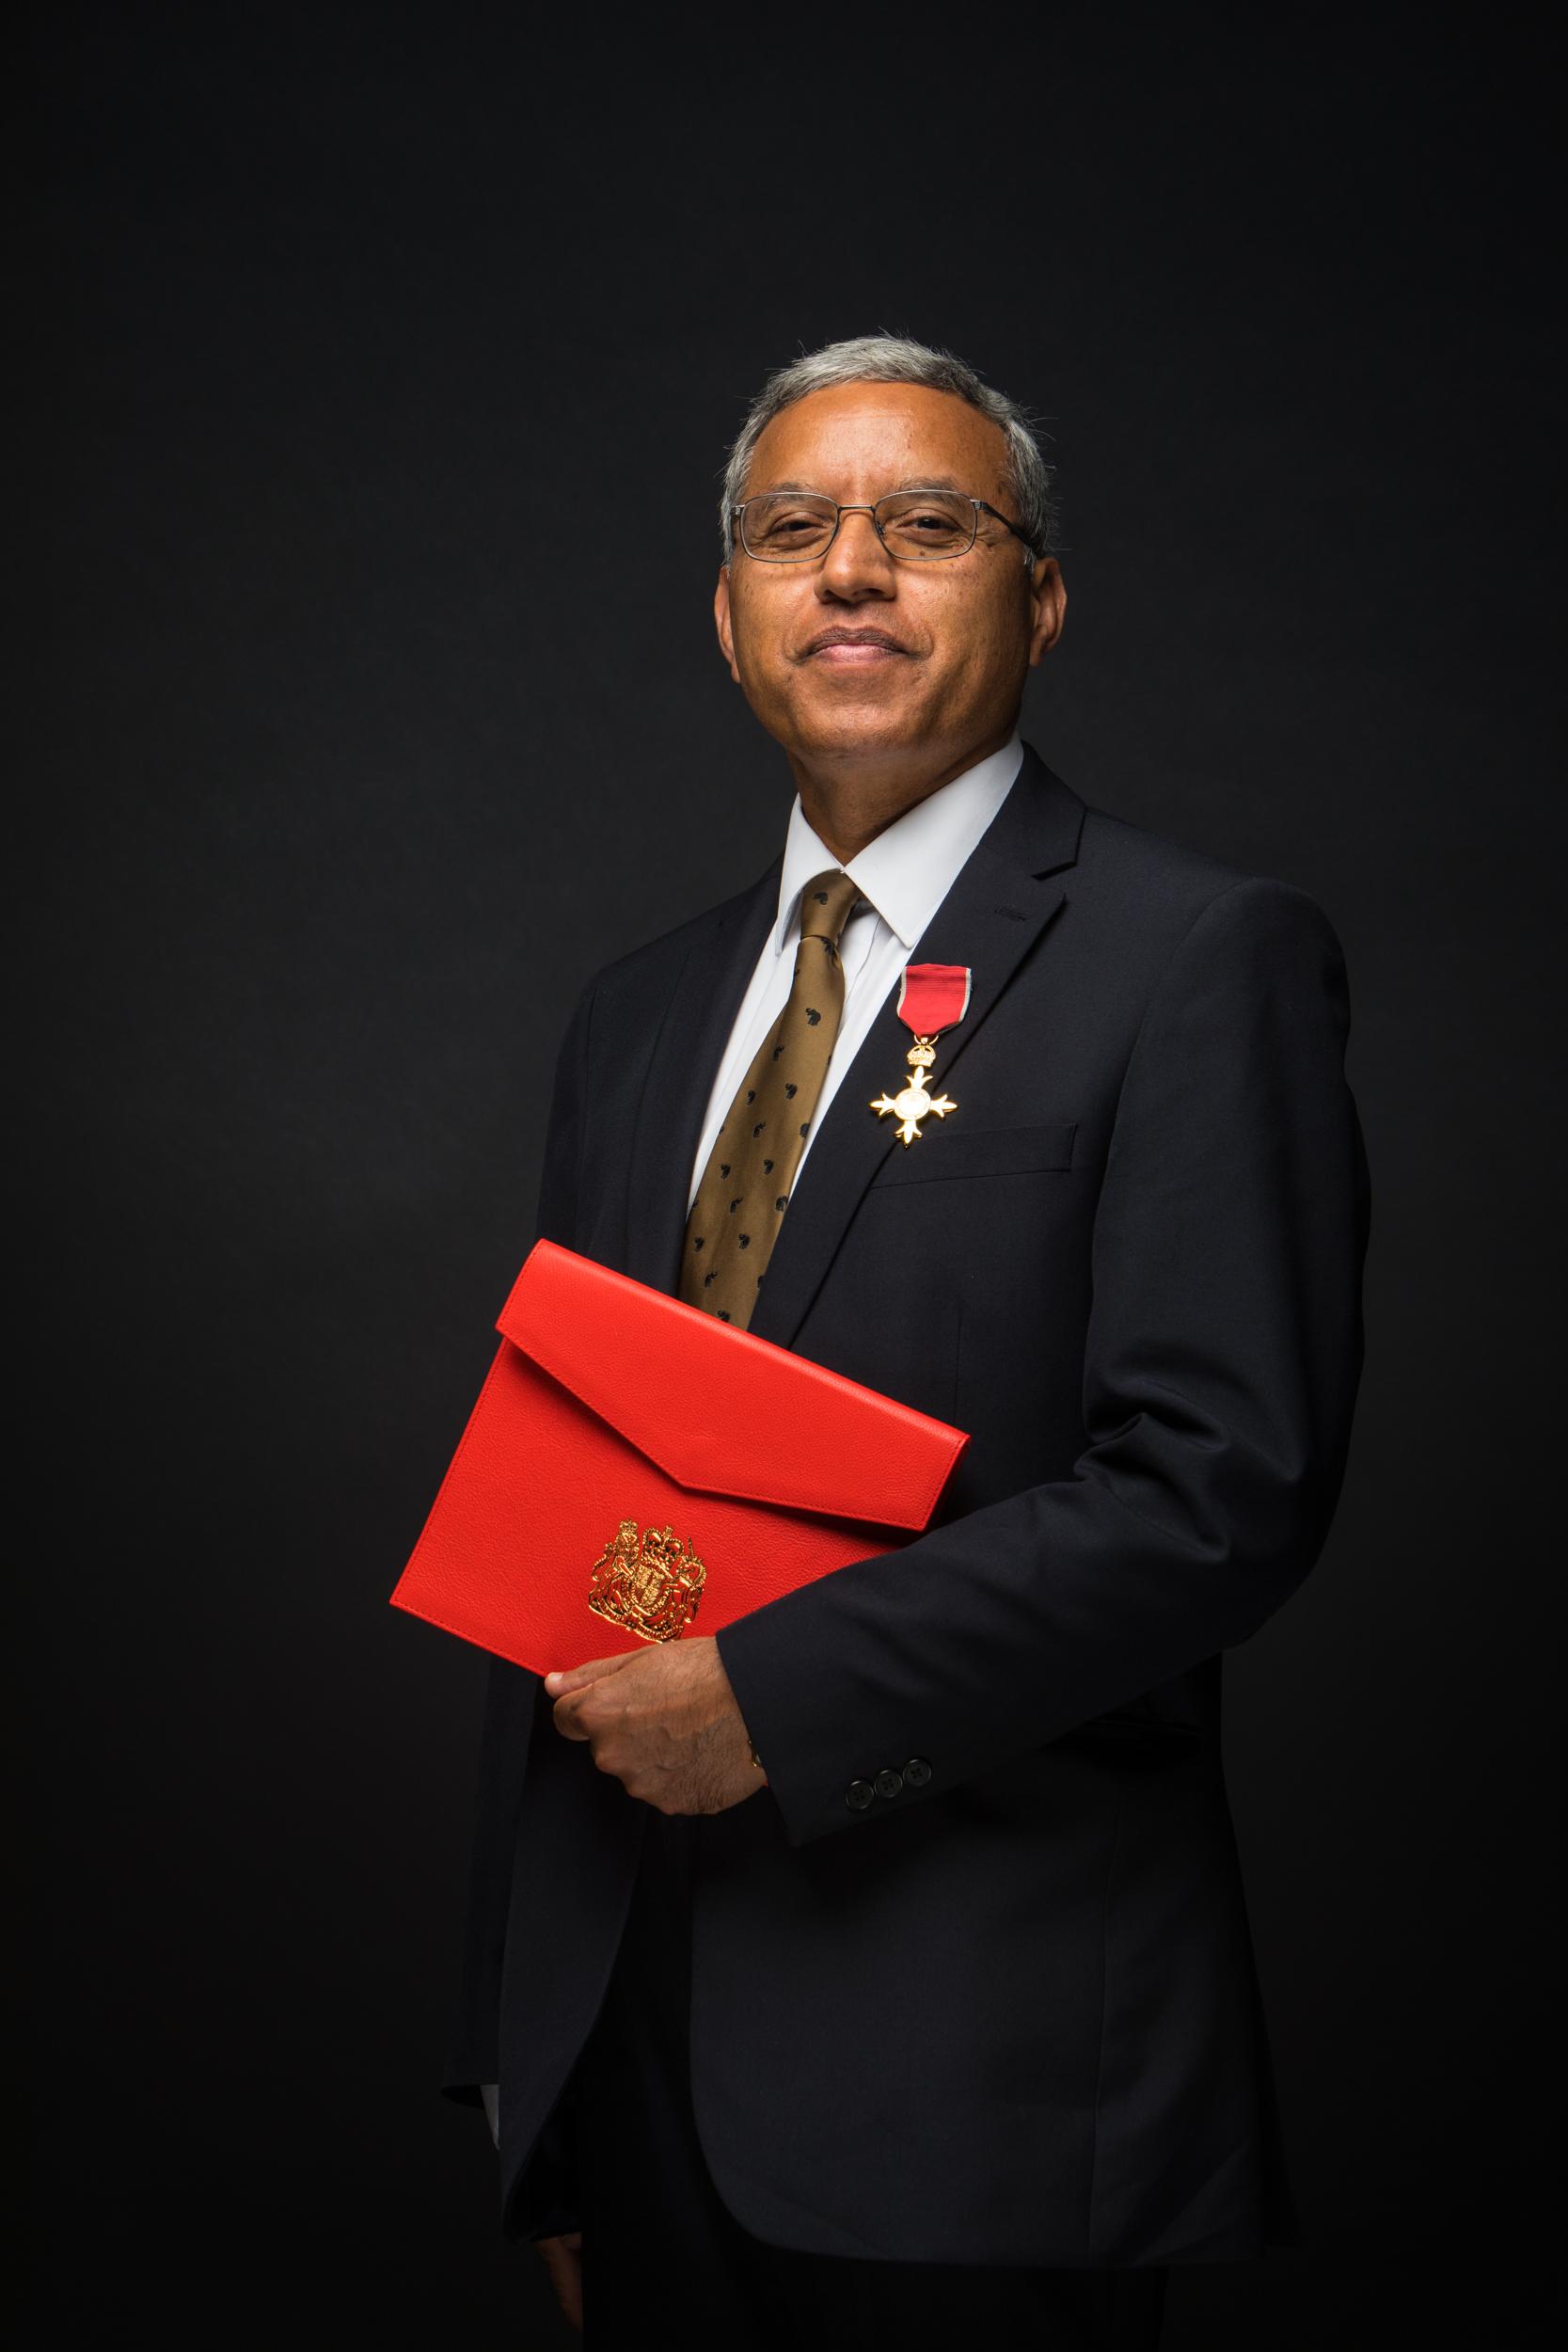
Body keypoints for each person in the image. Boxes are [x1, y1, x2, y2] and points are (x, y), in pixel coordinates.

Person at [439, 335, 1370, 2349]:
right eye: (795, 530)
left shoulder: (1196, 956)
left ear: (1036, 598)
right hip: (636, 2068)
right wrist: (535, 2080)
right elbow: (563, 1540)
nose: (851, 567)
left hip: (986, 2078)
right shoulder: (635, 1013)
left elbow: (1223, 1491)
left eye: (925, 524)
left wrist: (774, 1692)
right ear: (729, 612)